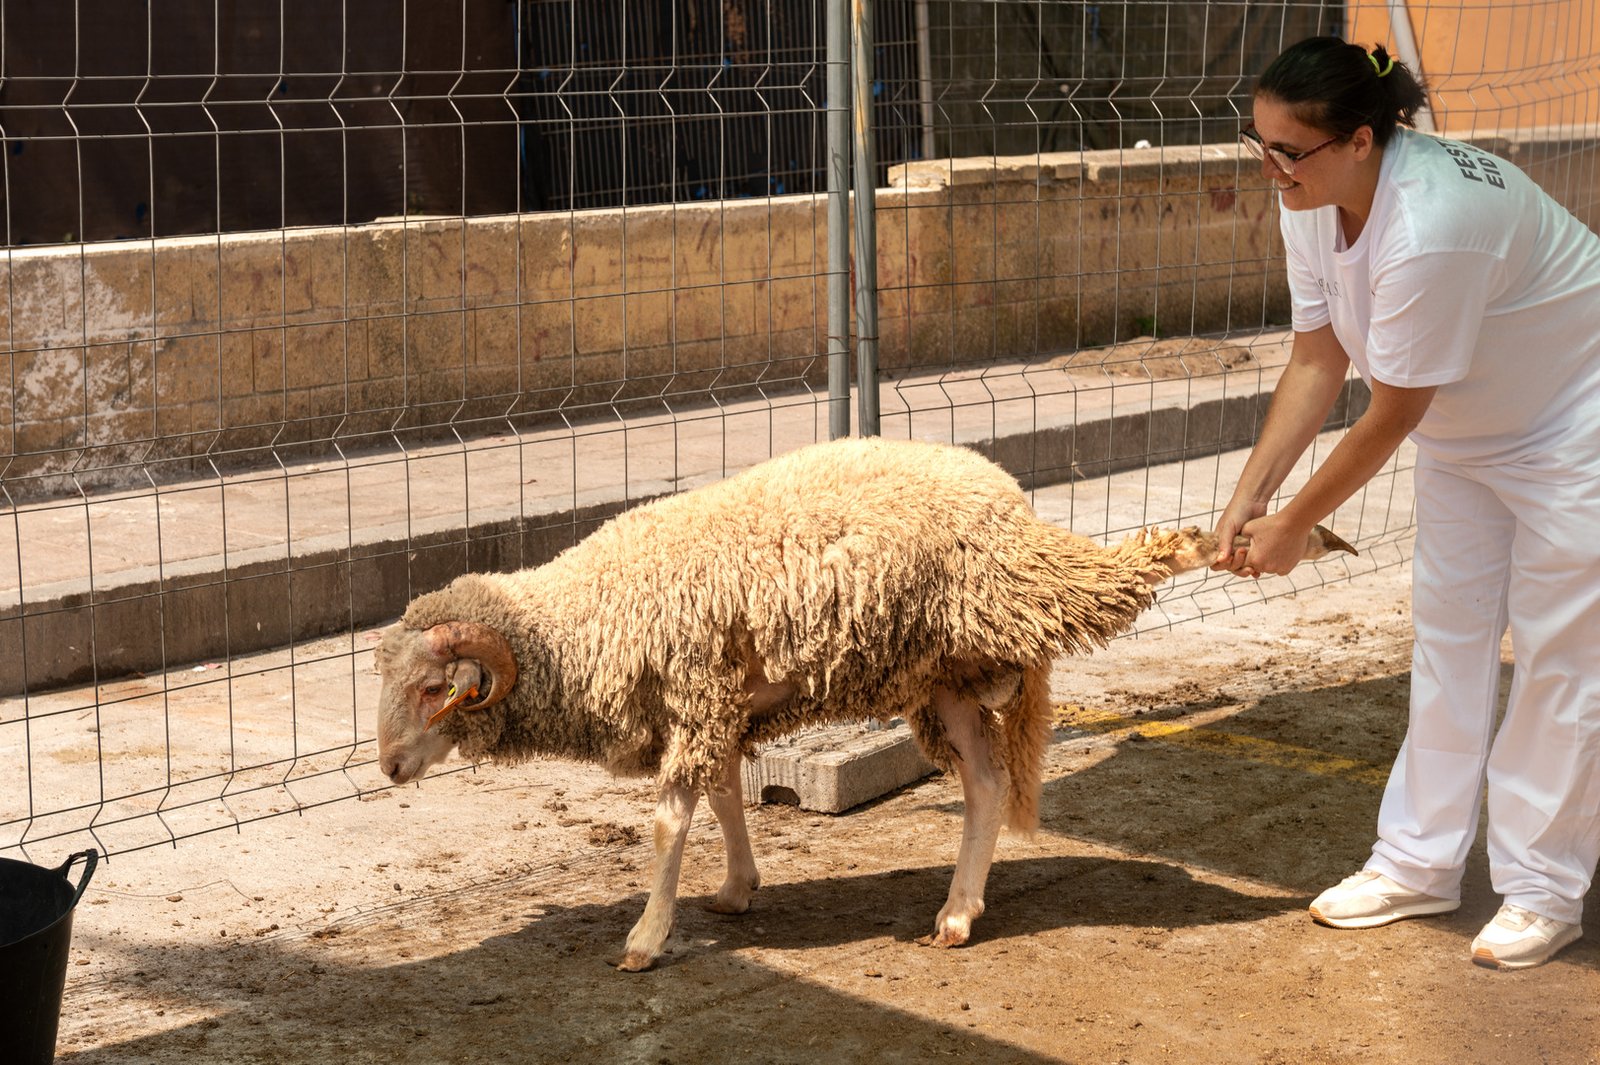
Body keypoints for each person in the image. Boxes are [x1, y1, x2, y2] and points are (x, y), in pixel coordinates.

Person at [1213, 35, 1600, 970]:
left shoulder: (1432, 224)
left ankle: (1542, 888)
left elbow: (1391, 412)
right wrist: (1250, 495)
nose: (1269, 168)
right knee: (1448, 635)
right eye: (1258, 143)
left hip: (1575, 423)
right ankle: (1418, 862)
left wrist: (1293, 525)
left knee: (1561, 654)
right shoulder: (1313, 198)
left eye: (1287, 151)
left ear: (1360, 139)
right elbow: (1317, 359)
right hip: (1472, 429)